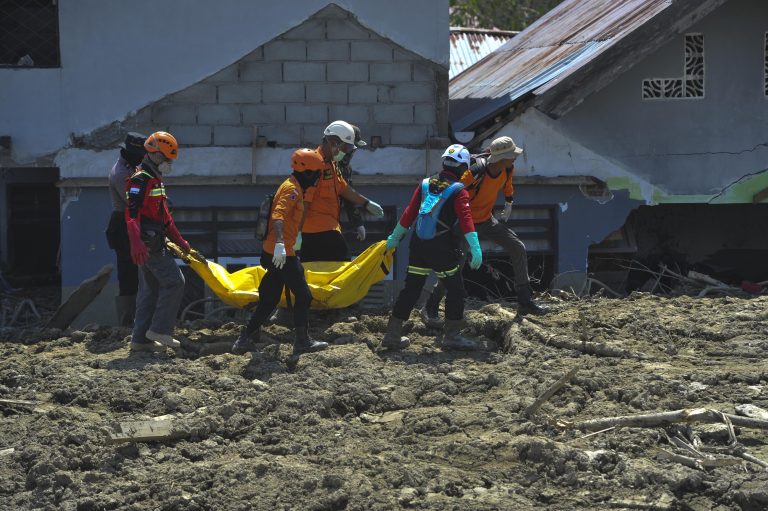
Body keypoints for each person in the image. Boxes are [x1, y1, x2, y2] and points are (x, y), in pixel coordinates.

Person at [421, 136, 548, 325]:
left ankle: (525, 301)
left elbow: (507, 185)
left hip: (487, 220)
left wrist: (509, 201)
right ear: (500, 157)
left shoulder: (508, 168)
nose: (514, 158)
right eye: (511, 155)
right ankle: (430, 306)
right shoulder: (475, 172)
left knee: (517, 247)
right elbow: (451, 190)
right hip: (465, 225)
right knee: (455, 266)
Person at [382, 144, 483, 351]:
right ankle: (452, 336)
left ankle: (392, 335)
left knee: (411, 289)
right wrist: (475, 247)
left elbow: (409, 214)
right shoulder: (458, 191)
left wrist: (394, 238)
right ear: (463, 168)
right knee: (456, 290)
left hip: (418, 245)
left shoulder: (426, 184)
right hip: (442, 249)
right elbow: (466, 221)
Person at [232, 149, 329, 356]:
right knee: (303, 296)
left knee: (269, 299)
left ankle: (244, 338)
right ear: (308, 172)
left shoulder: (293, 186)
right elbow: (278, 217)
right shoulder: (291, 190)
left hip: (276, 252)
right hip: (282, 253)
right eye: (317, 173)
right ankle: (302, 341)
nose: (318, 178)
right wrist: (280, 244)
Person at [125, 131, 190, 353]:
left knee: (150, 290)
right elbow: (131, 214)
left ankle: (140, 340)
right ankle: (161, 330)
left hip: (152, 240)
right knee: (175, 282)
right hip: (148, 243)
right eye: (166, 159)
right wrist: (136, 243)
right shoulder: (140, 179)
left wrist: (180, 240)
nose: (168, 163)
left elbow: (164, 217)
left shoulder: (155, 180)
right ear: (153, 154)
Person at [299, 120, 385, 262]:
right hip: (318, 226)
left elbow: (344, 189)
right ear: (336, 144)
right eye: (348, 148)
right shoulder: (316, 164)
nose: (350, 152)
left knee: (313, 268)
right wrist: (297, 230)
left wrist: (366, 203)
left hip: (328, 224)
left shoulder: (335, 165)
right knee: (342, 263)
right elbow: (304, 198)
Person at [106, 132, 145, 326]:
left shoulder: (132, 166)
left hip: (130, 220)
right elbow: (133, 202)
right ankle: (127, 321)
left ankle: (136, 318)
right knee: (128, 272)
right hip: (122, 223)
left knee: (136, 271)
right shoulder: (121, 172)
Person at [338, 125, 368, 242]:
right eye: (351, 146)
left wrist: (358, 223)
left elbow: (349, 197)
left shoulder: (346, 169)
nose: (353, 151)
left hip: (332, 219)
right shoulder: (323, 163)